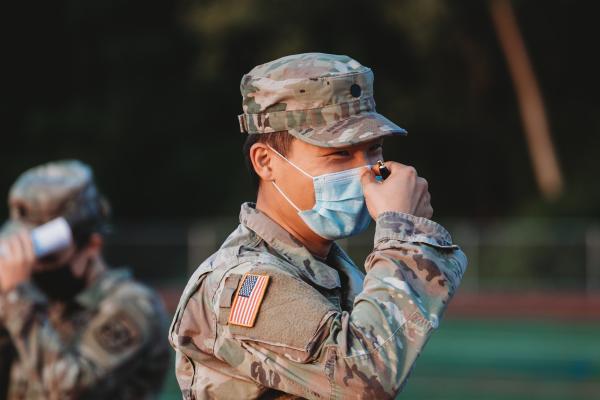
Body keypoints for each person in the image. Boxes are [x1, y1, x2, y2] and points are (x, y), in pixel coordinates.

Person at [169, 53, 468, 399]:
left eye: (374, 149)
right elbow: (364, 378)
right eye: (339, 154)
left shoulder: (333, 269)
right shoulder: (247, 280)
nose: (366, 172)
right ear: (266, 162)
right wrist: (403, 237)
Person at [0, 160, 170, 399]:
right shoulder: (36, 301)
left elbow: (69, 390)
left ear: (92, 246)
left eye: (45, 255)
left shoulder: (134, 305)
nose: (32, 267)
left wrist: (16, 296)